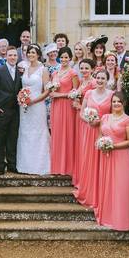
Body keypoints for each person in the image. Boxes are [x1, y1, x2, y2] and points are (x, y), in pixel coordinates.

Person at [94, 91, 129, 230]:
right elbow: (99, 136)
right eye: (114, 101)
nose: (116, 104)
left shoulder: (128, 120)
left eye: (119, 101)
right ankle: (108, 218)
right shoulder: (105, 117)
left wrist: (112, 146)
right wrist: (101, 144)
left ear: (123, 103)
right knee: (108, 186)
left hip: (122, 157)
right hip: (106, 156)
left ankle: (122, 221)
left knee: (121, 188)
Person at [74, 69, 112, 206]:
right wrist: (89, 119)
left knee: (103, 162)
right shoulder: (89, 93)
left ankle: (102, 194)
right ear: (94, 79)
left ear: (107, 80)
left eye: (103, 78)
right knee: (89, 160)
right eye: (98, 78)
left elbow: (114, 115)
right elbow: (82, 113)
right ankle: (89, 192)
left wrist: (101, 121)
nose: (100, 80)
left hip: (104, 131)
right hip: (89, 131)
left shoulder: (112, 95)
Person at [16, 44, 51, 176]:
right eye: (29, 52)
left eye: (33, 53)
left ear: (38, 55)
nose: (31, 55)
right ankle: (25, 165)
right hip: (24, 107)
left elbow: (47, 90)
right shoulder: (24, 68)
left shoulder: (43, 70)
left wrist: (34, 101)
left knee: (38, 133)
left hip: (37, 105)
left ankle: (39, 165)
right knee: (25, 132)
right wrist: (22, 98)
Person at [0, 46, 22, 175]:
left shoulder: (20, 72)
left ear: (17, 57)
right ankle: (0, 165)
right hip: (1, 111)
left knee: (12, 139)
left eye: (15, 55)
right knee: (0, 140)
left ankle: (12, 164)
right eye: (10, 55)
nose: (13, 57)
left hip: (15, 111)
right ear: (6, 57)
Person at [49, 46, 79, 176]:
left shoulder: (73, 73)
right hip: (56, 106)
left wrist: (59, 95)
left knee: (67, 134)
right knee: (57, 133)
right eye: (62, 57)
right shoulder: (55, 73)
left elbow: (75, 92)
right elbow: (51, 90)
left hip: (67, 106)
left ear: (70, 58)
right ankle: (56, 165)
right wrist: (51, 92)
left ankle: (68, 167)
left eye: (66, 57)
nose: (64, 59)